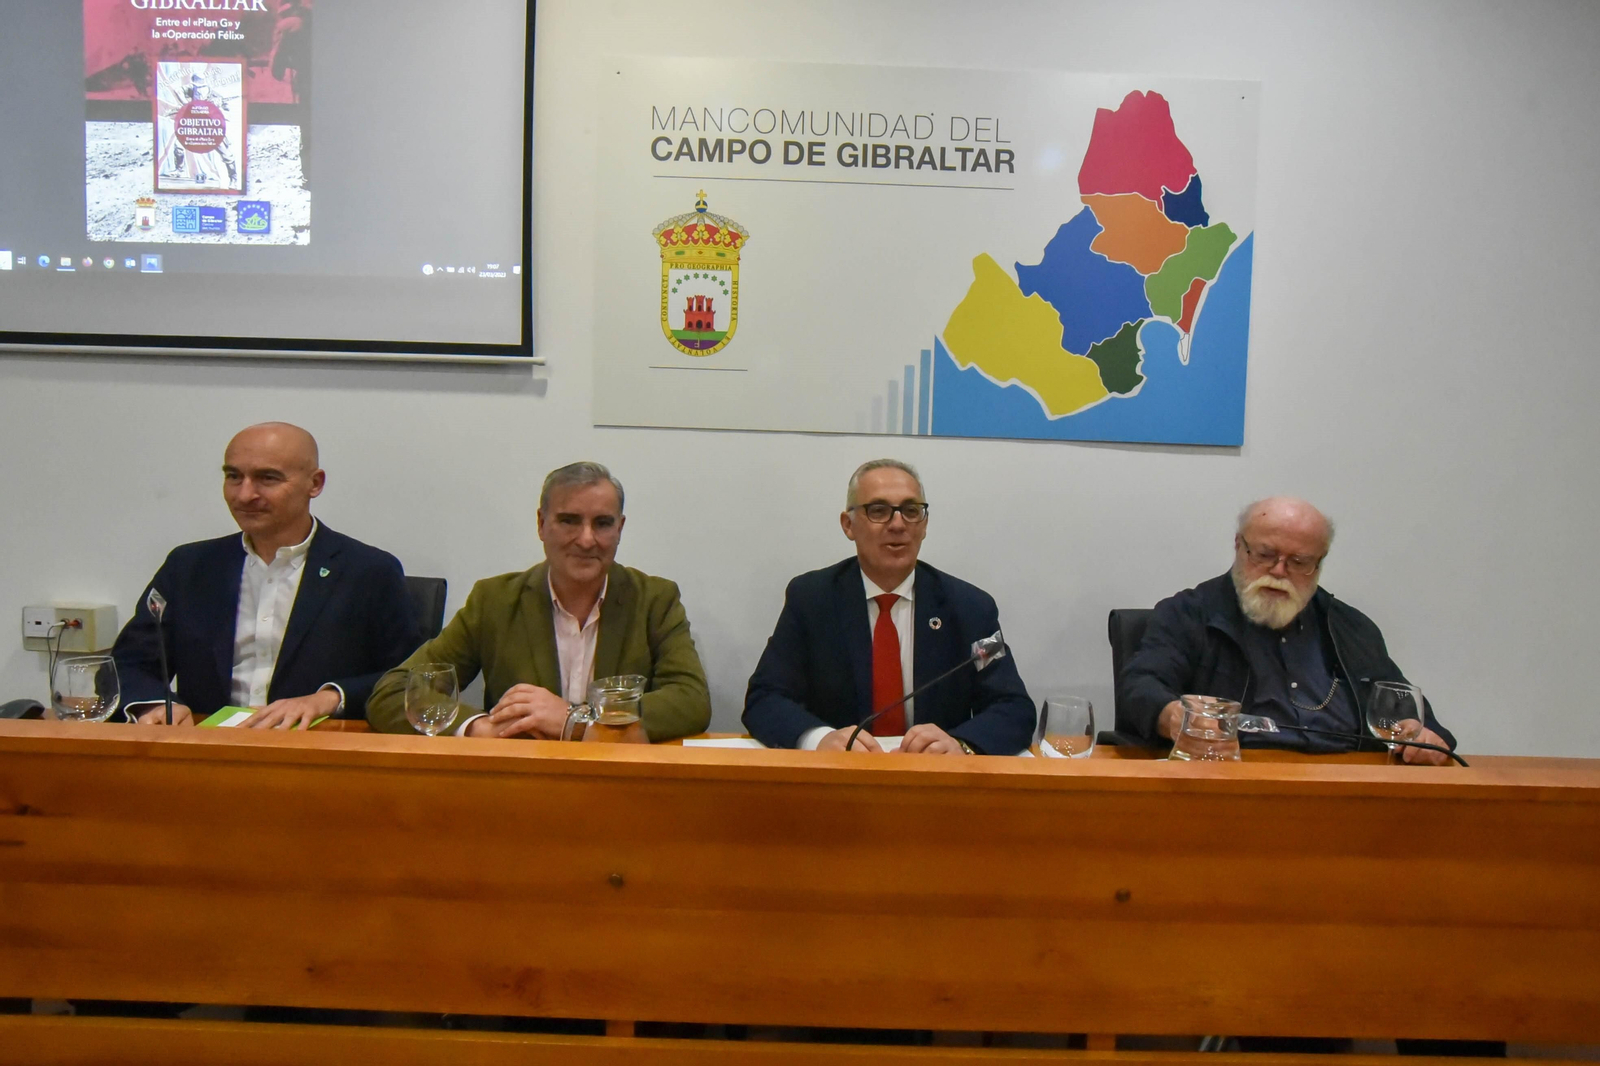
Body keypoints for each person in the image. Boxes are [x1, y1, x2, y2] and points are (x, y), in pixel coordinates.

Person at [366, 462, 711, 741]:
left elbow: (691, 700)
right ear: (541, 524)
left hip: (619, 785)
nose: (586, 539)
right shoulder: (494, 601)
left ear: (619, 528)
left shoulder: (654, 600)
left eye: (602, 523)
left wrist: (576, 720)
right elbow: (394, 693)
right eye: (569, 521)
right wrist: (476, 728)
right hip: (520, 787)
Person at [110, 423, 421, 728]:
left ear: (315, 484)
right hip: (207, 743)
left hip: (317, 745)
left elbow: (409, 676)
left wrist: (329, 698)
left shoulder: (368, 571)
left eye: (267, 478)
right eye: (234, 477)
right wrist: (155, 704)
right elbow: (131, 663)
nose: (245, 495)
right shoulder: (189, 567)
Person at [1119, 496, 1457, 763]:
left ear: (1319, 563)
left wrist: (1424, 735)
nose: (1279, 571)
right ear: (1238, 545)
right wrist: (1175, 716)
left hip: (1346, 786)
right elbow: (1140, 686)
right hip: (1233, 781)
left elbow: (1408, 710)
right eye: (1265, 554)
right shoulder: (1188, 613)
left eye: (1299, 562)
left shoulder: (1350, 627)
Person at [743, 459, 1034, 755]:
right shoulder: (810, 600)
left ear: (924, 525)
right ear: (848, 525)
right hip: (838, 774)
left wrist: (961, 745)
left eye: (911, 511)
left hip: (933, 777)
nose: (898, 525)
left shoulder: (972, 608)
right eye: (879, 511)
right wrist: (818, 739)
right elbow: (765, 697)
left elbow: (1014, 707)